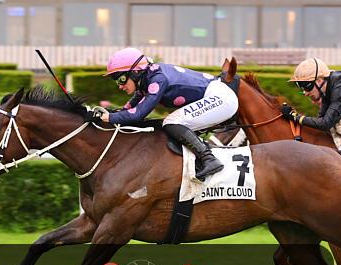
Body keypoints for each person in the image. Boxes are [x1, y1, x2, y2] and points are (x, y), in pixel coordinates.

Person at [98, 47, 238, 181]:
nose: (120, 86)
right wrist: (107, 114)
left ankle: (209, 160)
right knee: (169, 123)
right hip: (217, 96)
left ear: (135, 72)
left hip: (221, 98)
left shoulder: (158, 79)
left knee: (171, 122)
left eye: (121, 79)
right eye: (116, 81)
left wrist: (109, 117)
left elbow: (138, 115)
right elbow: (128, 109)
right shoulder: (146, 80)